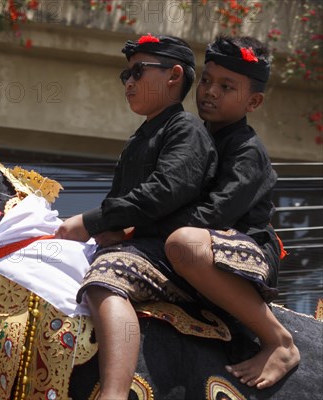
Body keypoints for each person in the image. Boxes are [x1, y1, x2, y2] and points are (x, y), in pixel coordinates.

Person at [55, 34, 218, 400]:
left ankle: (113, 393)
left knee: (104, 280)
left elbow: (164, 192)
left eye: (138, 72)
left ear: (174, 76)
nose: (129, 82)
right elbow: (123, 201)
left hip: (169, 253)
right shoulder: (140, 138)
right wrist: (110, 228)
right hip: (141, 248)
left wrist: (91, 221)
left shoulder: (185, 129)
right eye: (125, 75)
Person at [159, 35, 300, 389]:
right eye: (206, 80)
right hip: (196, 246)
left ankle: (280, 342)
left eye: (226, 86)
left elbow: (214, 215)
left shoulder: (248, 151)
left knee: (183, 244)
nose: (210, 92)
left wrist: (150, 229)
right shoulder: (187, 136)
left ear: (254, 101)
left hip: (243, 248)